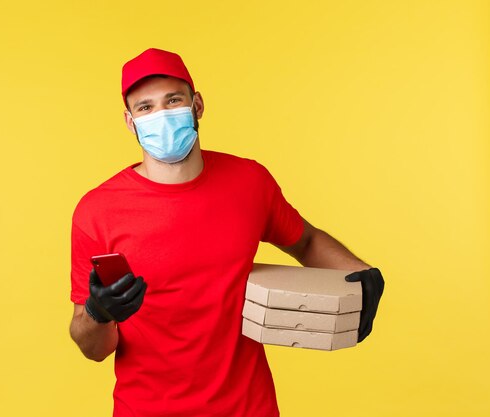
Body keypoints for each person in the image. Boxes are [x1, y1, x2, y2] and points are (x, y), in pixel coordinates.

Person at [69, 48, 384, 417]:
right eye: (146, 108)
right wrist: (98, 313)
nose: (162, 116)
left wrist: (361, 275)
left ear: (197, 105)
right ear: (129, 121)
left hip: (249, 408)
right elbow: (94, 349)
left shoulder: (249, 182)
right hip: (147, 409)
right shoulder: (96, 211)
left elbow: (307, 240)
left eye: (173, 101)